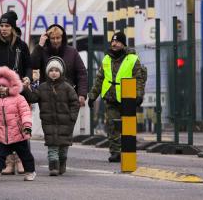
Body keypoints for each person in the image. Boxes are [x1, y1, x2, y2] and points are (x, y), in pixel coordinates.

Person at [0, 11, 31, 174]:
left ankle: (21, 160)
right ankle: (8, 162)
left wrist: (27, 78)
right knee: (3, 125)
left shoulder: (21, 46)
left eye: (7, 26)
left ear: (12, 28)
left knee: (18, 125)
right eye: (1, 26)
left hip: (17, 92)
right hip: (0, 92)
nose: (3, 29)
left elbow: (28, 66)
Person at [87, 32, 147, 163]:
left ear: (123, 44)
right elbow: (99, 79)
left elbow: (139, 79)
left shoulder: (132, 59)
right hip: (111, 97)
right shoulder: (106, 59)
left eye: (117, 42)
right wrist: (92, 96)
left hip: (127, 98)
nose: (114, 44)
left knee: (127, 126)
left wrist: (139, 96)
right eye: (112, 42)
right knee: (112, 125)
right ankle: (115, 152)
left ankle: (127, 151)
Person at [24, 57, 79, 176]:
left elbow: (75, 103)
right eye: (51, 70)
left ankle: (62, 163)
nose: (54, 72)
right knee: (52, 146)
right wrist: (25, 89)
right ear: (47, 72)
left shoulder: (67, 87)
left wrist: (72, 117)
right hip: (49, 123)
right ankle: (53, 167)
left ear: (61, 72)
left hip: (66, 123)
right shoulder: (42, 87)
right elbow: (32, 98)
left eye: (56, 70)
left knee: (63, 148)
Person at [31, 24, 88, 107]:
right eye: (52, 38)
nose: (55, 41)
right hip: (46, 99)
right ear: (48, 39)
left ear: (62, 38)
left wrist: (82, 94)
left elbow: (82, 74)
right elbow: (33, 64)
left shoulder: (72, 52)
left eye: (58, 38)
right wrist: (39, 45)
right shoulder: (42, 51)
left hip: (68, 99)